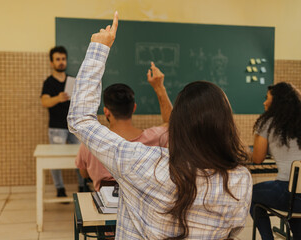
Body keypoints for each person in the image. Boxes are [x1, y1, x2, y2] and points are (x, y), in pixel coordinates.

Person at [68, 12, 252, 239]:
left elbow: (80, 120)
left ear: (178, 127)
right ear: (227, 126)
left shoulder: (143, 162)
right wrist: (159, 89)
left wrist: (98, 49)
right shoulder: (240, 179)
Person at [75, 62, 172, 191]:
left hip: (105, 208)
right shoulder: (155, 138)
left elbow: (84, 173)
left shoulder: (91, 142)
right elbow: (172, 124)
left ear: (106, 111)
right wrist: (159, 87)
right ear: (134, 108)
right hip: (141, 207)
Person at [250, 82, 301, 240]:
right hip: (297, 196)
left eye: (267, 98)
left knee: (250, 194)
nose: (264, 102)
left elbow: (257, 159)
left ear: (277, 102)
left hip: (287, 192)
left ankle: (267, 238)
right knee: (294, 205)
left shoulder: (268, 122)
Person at [41, 46, 85, 197]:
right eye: (57, 59)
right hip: (57, 128)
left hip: (73, 127)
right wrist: (58, 98)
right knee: (56, 159)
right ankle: (60, 189)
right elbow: (45, 102)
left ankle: (83, 185)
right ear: (51, 62)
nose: (61, 62)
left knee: (80, 156)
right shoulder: (49, 82)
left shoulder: (72, 81)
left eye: (63, 59)